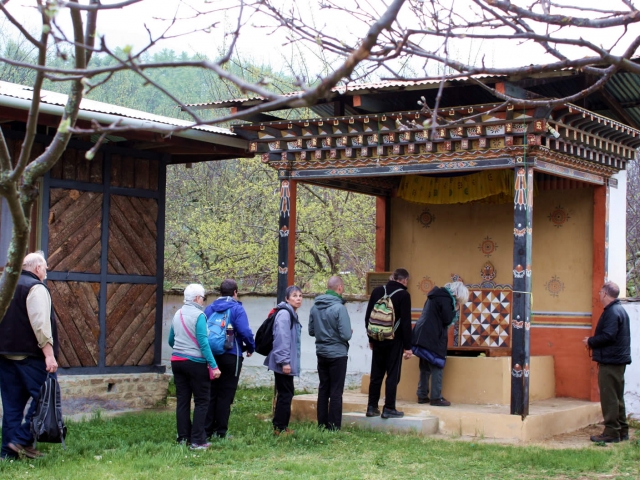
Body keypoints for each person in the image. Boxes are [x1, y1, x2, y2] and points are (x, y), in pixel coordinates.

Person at [0, 251, 58, 460]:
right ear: (37, 268)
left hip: (6, 356)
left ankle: (8, 453)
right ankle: (22, 440)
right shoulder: (35, 287)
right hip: (31, 356)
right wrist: (49, 355)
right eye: (45, 269)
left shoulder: (4, 286)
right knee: (46, 396)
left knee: (12, 406)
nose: (45, 273)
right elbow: (40, 324)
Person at [168, 284, 221, 450]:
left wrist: (181, 350)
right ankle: (197, 440)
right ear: (197, 298)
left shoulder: (178, 313)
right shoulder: (199, 315)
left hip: (177, 361)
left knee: (182, 401)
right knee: (202, 401)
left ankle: (183, 437)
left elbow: (171, 339)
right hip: (195, 363)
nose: (204, 301)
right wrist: (214, 366)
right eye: (203, 297)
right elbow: (204, 343)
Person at [203, 278, 256, 439]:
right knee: (226, 394)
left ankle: (207, 430)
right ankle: (221, 431)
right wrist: (251, 347)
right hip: (231, 355)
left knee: (211, 393)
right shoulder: (236, 308)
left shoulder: (209, 309)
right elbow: (245, 331)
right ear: (235, 292)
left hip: (212, 356)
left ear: (220, 292)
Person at [583, 281, 631, 443]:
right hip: (618, 360)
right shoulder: (620, 310)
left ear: (604, 293)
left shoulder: (612, 312)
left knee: (609, 396)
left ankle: (611, 431)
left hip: (611, 360)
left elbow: (609, 335)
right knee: (617, 396)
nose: (598, 295)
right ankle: (622, 429)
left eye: (600, 292)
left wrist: (591, 341)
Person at [364, 268, 413, 419]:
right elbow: (405, 323)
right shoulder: (404, 295)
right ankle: (389, 407)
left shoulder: (377, 291)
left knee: (376, 374)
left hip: (378, 340)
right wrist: (408, 347)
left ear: (392, 277)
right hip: (394, 341)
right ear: (404, 280)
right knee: (392, 374)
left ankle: (372, 407)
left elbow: (368, 318)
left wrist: (371, 339)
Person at [411, 281, 469, 407]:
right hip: (433, 336)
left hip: (420, 333)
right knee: (437, 364)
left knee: (425, 365)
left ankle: (422, 395)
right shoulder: (446, 299)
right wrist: (456, 309)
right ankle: (436, 398)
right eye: (459, 299)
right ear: (457, 295)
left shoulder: (435, 296)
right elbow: (447, 319)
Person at [309, 275, 352, 430]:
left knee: (323, 388)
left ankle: (321, 424)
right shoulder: (340, 308)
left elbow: (311, 331)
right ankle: (333, 426)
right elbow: (346, 335)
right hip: (338, 354)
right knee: (335, 391)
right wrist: (348, 331)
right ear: (339, 288)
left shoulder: (315, 306)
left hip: (321, 352)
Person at [264, 285, 303, 435]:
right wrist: (285, 362)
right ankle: (279, 428)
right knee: (285, 394)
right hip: (283, 362)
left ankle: (281, 426)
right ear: (287, 298)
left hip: (285, 360)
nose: (298, 298)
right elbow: (282, 339)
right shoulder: (285, 315)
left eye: (300, 295)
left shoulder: (291, 313)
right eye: (294, 296)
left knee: (286, 393)